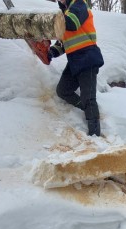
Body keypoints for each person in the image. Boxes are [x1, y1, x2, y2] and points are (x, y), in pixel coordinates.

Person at [46, 0, 104, 136]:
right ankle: (85, 108)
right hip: (74, 60)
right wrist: (50, 53)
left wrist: (51, 22)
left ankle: (95, 135)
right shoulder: (64, 14)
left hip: (88, 57)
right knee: (62, 90)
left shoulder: (79, 5)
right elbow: (62, 43)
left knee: (88, 98)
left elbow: (72, 23)